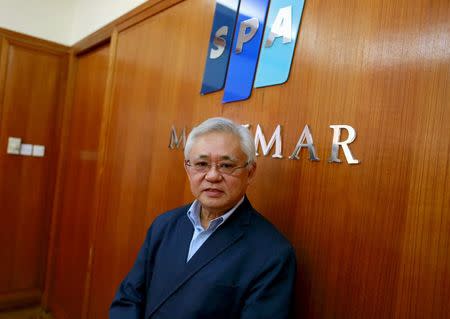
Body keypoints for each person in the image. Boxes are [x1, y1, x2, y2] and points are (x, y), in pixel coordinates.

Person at [110, 117, 296, 319]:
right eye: (201, 164)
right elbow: (128, 299)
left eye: (226, 165)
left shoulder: (272, 253)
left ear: (250, 173)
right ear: (188, 169)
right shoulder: (164, 225)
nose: (213, 176)